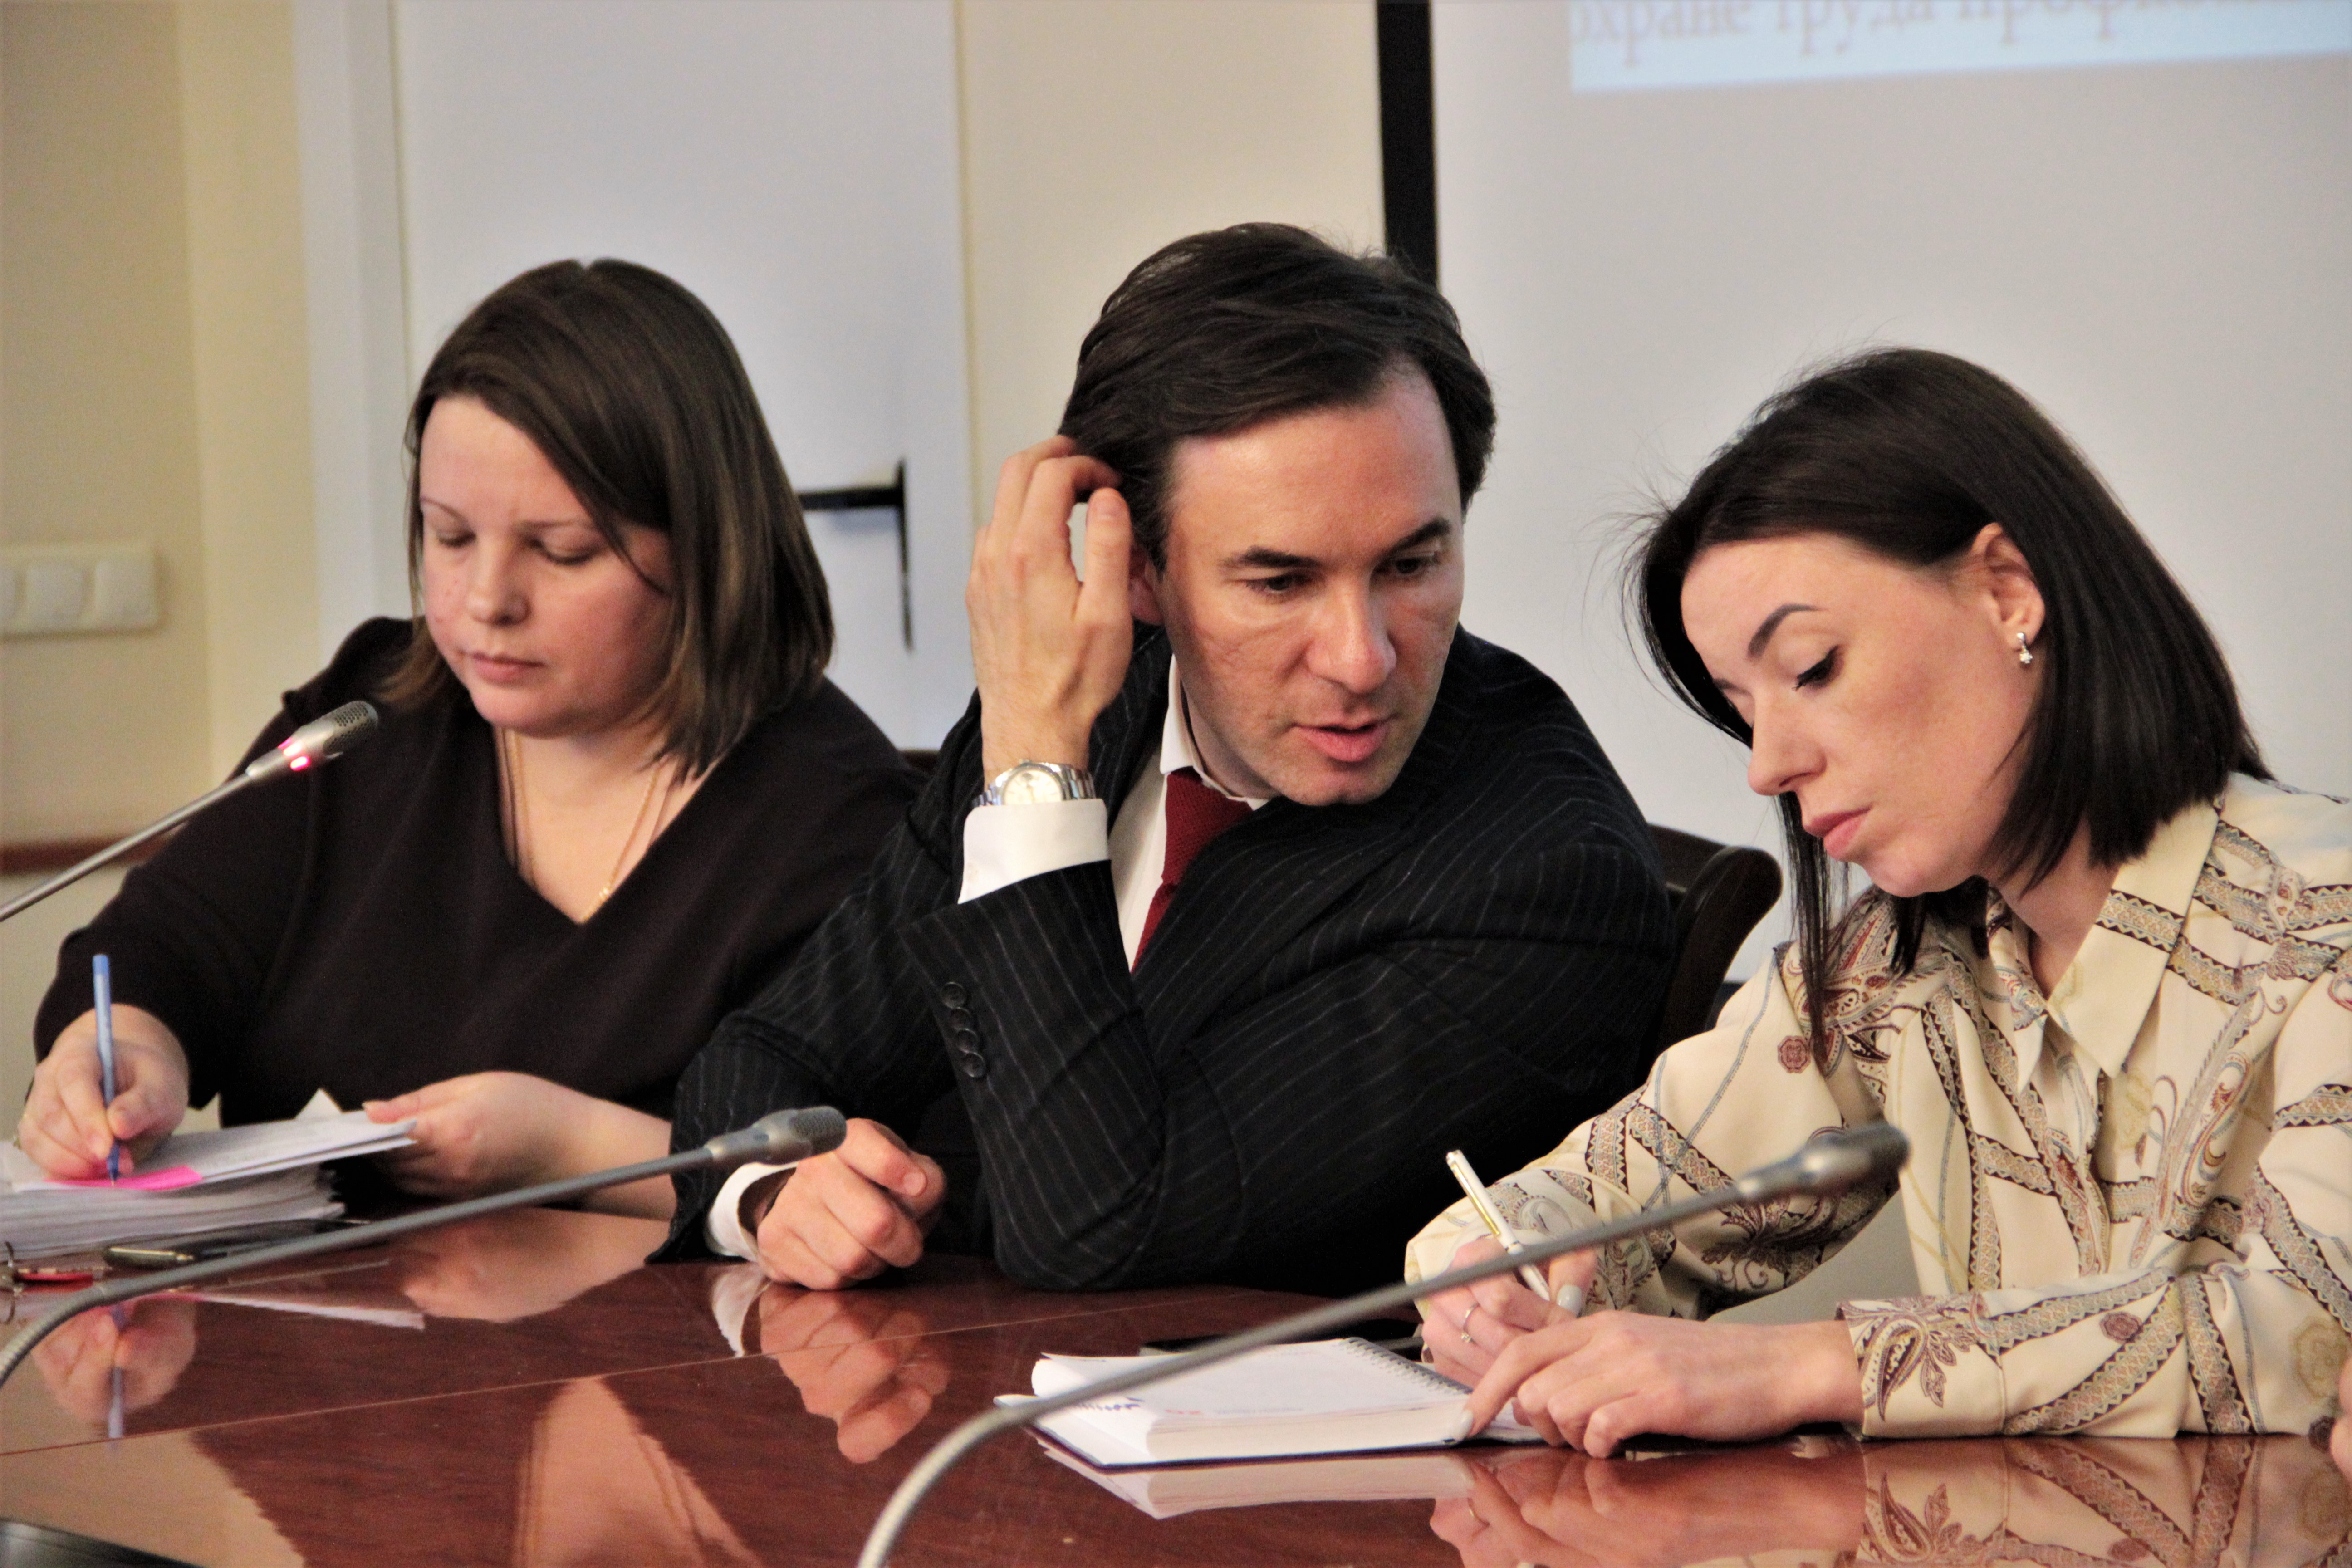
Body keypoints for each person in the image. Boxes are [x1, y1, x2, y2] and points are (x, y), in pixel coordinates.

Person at [663, 224, 1674, 1294]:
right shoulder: (1089, 699)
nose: (1363, 658)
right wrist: (776, 1193)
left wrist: (1037, 775)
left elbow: (1098, 1227)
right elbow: (761, 1064)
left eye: (1412, 565)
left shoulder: (1549, 877)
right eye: (1280, 583)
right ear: (1134, 571)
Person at [1414, 347, 2351, 1446]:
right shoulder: (1891, 970)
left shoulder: (2322, 923)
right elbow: (1592, 1197)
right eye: (1742, 709)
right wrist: (1496, 1281)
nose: (1767, 764)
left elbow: (2305, 1333)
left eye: (1812, 668)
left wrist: (1811, 1365)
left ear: (2009, 593)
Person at [23, 260, 917, 1211]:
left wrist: (569, 1149)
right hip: (303, 1304)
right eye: (449, 537)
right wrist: (121, 1055)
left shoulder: (836, 819)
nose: (488, 601)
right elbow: (161, 952)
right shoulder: (365, 717)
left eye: (561, 551)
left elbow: (883, 1183)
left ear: (706, 549)